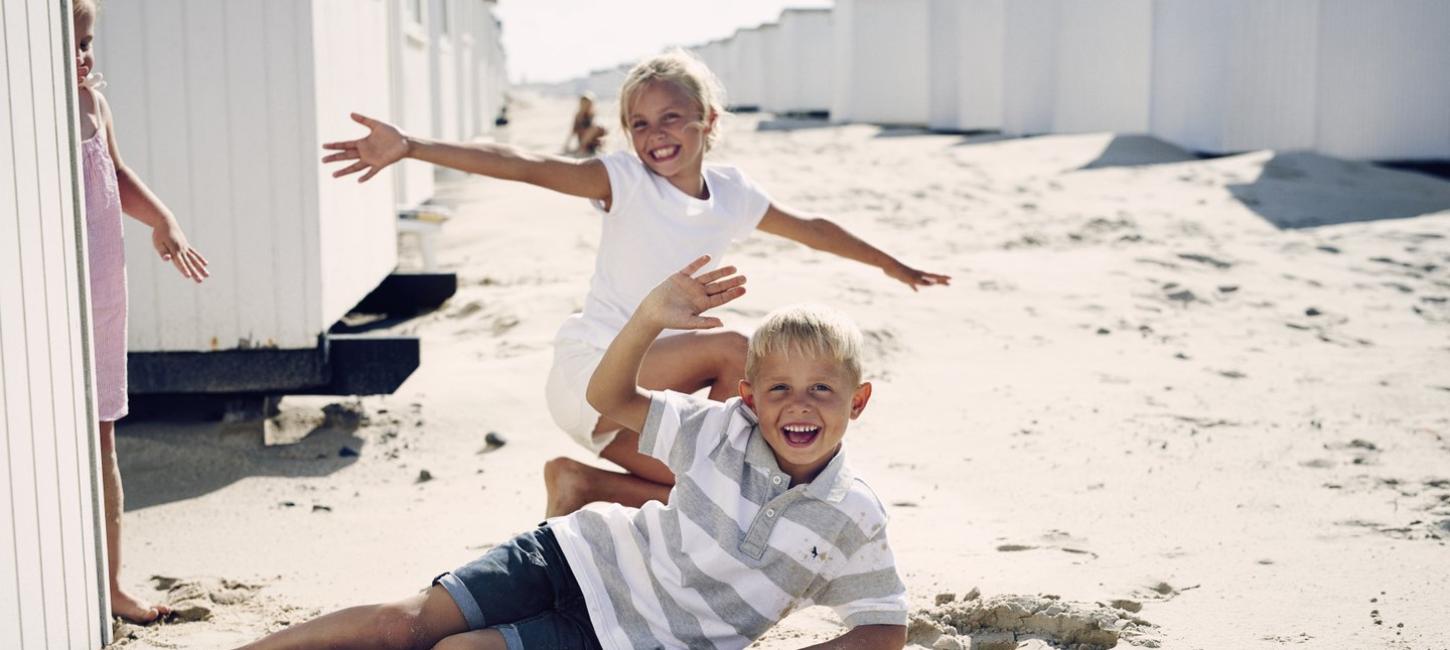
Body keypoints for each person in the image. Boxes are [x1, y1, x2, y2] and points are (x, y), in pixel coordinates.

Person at [321, 50, 950, 518]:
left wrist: (890, 263)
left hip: (630, 404)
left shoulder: (732, 194)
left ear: (709, 119)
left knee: (730, 491)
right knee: (740, 351)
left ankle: (579, 485)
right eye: (640, 125)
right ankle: (776, 464)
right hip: (595, 370)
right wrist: (411, 146)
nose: (655, 137)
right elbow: (526, 165)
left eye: (672, 119)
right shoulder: (622, 180)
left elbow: (811, 228)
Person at [236, 257, 907, 650]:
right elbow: (607, 395)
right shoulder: (716, 430)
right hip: (577, 556)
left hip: (629, 641)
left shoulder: (853, 514)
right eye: (781, 389)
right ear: (749, 397)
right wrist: (648, 318)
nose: (800, 405)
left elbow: (884, 626)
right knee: (399, 624)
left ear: (859, 401)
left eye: (823, 390)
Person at [72, 0, 211, 624]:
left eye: (89, 41)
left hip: (100, 293)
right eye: (70, 45)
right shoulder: (22, 110)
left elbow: (116, 173)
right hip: (48, 296)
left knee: (101, 433)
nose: (83, 56)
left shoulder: (93, 104)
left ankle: (112, 583)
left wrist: (164, 220)